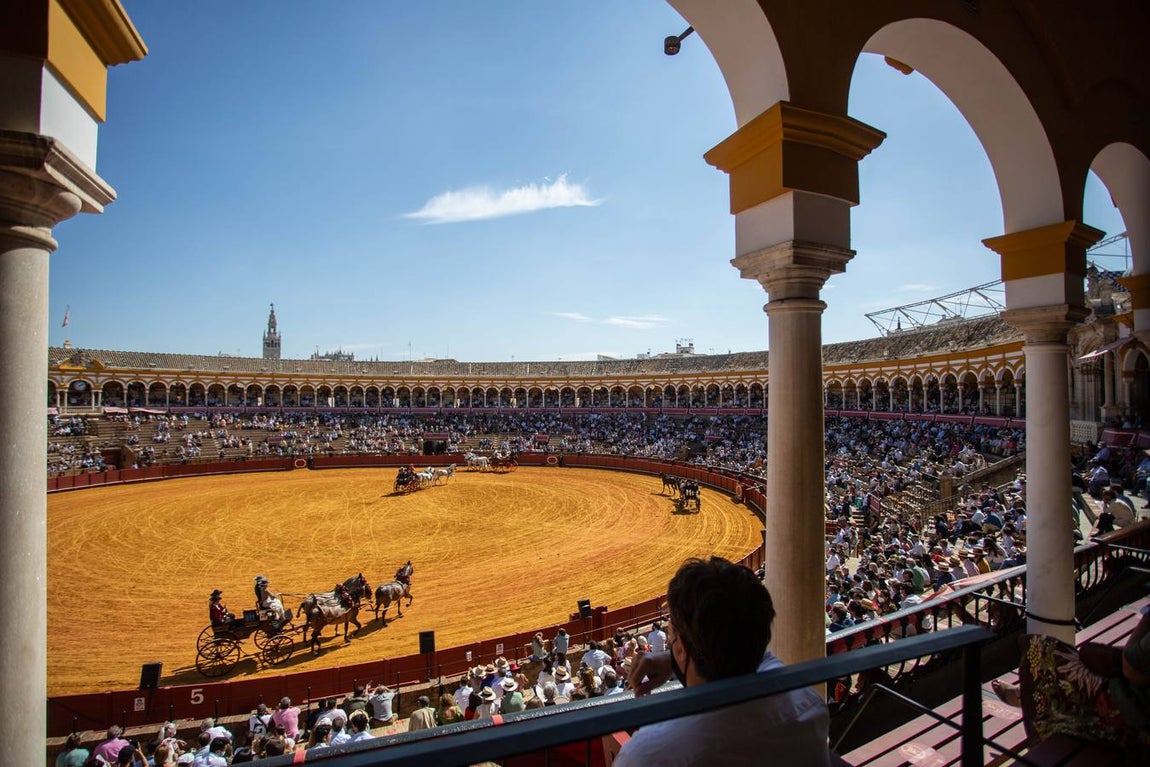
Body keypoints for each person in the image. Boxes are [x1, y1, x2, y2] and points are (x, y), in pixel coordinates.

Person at [616, 556, 830, 766]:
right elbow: (757, 653)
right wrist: (676, 656)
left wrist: (678, 657)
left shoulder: (647, 756)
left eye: (672, 635)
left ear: (680, 647)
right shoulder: (810, 704)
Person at [992, 607, 1150, 757]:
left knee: (1042, 650)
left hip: (1135, 715)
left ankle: (1030, 698)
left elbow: (1131, 666)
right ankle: (1033, 696)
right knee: (1085, 661)